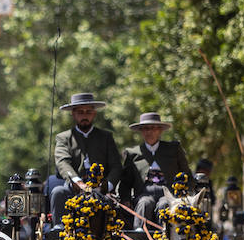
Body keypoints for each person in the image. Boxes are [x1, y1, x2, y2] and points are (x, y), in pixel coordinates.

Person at [50, 92, 123, 225]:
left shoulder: (106, 137)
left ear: (94, 114)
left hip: (101, 189)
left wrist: (107, 186)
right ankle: (58, 232)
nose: (84, 115)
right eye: (80, 112)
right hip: (74, 187)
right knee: (58, 192)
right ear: (73, 114)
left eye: (88, 112)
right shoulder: (64, 138)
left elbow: (116, 166)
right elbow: (62, 162)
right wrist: (77, 182)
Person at [119, 111, 190, 229]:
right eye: (145, 129)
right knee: (144, 204)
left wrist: (185, 195)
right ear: (141, 131)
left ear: (160, 130)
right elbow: (125, 182)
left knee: (165, 204)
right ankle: (140, 238)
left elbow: (186, 175)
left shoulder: (173, 149)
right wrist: (125, 199)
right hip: (144, 194)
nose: (149, 132)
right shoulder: (133, 154)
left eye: (153, 128)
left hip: (168, 194)